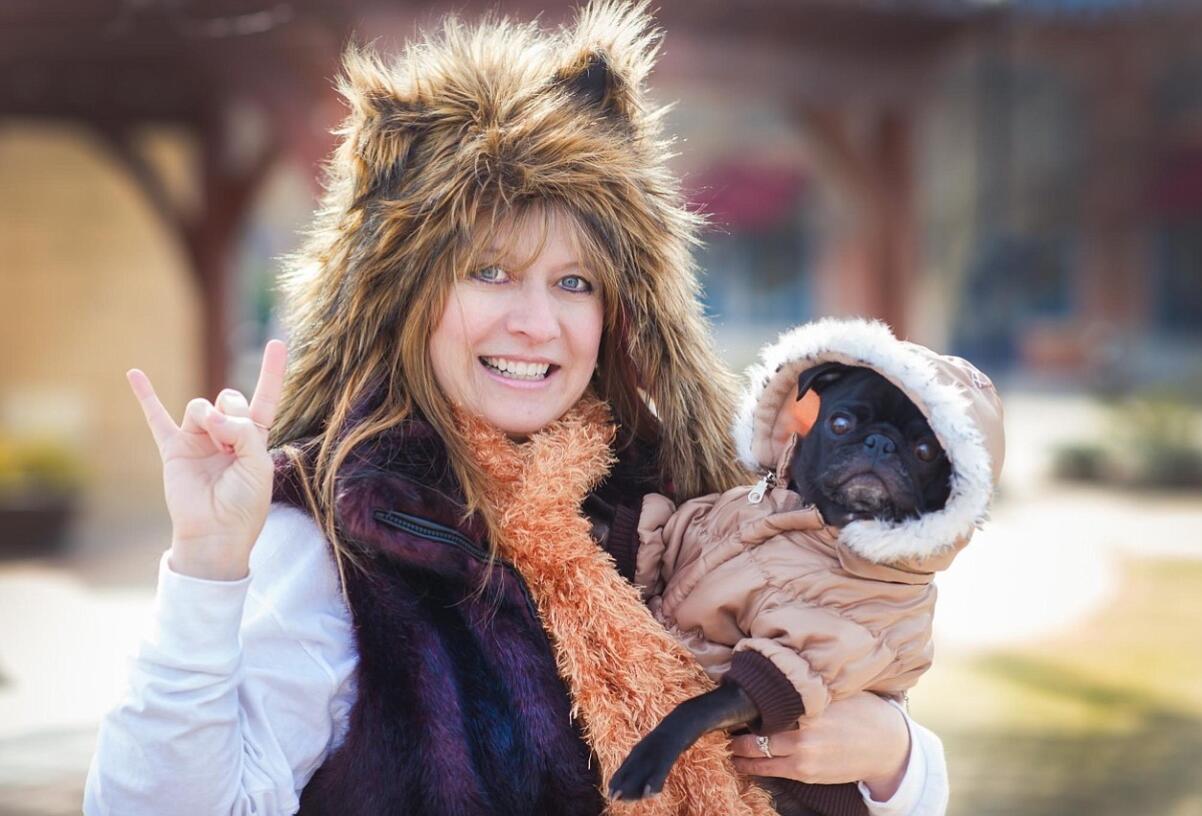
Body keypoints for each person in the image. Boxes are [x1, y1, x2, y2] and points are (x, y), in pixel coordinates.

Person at [85, 4, 950, 815]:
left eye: (573, 282)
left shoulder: (686, 514)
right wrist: (204, 566)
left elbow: (848, 716)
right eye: (488, 271)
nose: (536, 324)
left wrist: (894, 758)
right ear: (403, 297)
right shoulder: (336, 540)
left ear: (620, 314)